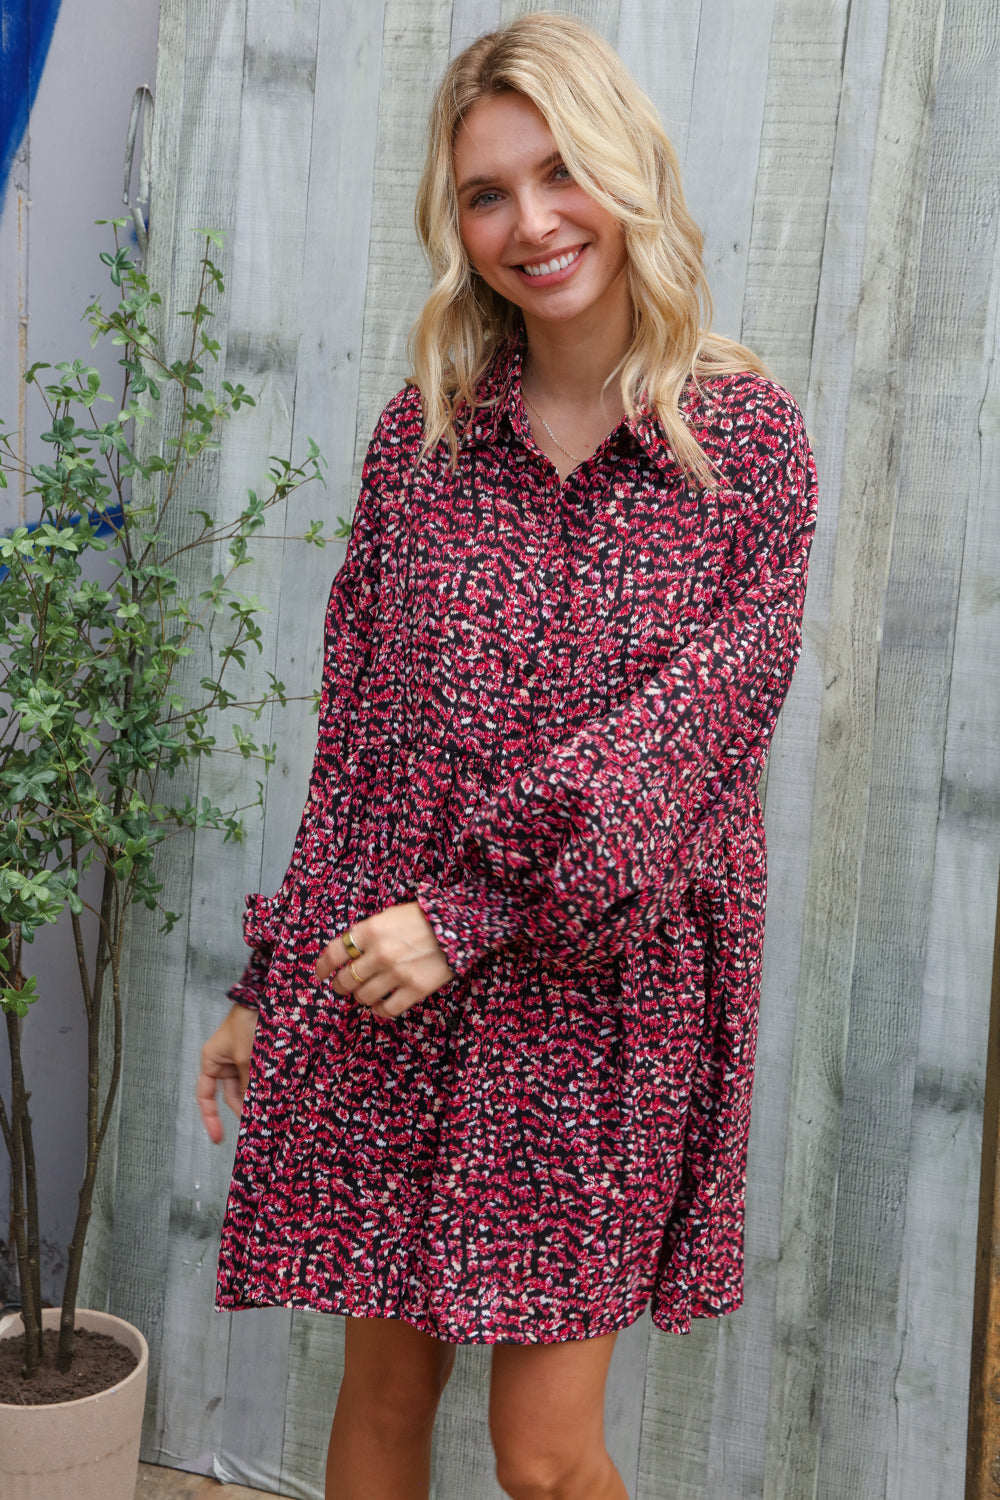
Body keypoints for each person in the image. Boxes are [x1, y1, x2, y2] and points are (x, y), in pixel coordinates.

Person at [196, 13, 818, 1500]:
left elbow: (682, 755)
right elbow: (358, 745)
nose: (531, 223)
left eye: (560, 172)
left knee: (543, 1456)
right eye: (487, 193)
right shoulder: (420, 444)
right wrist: (273, 981)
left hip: (593, 997)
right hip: (393, 975)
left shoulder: (744, 450)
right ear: (456, 223)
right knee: (381, 1397)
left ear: (626, 174)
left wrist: (469, 914)